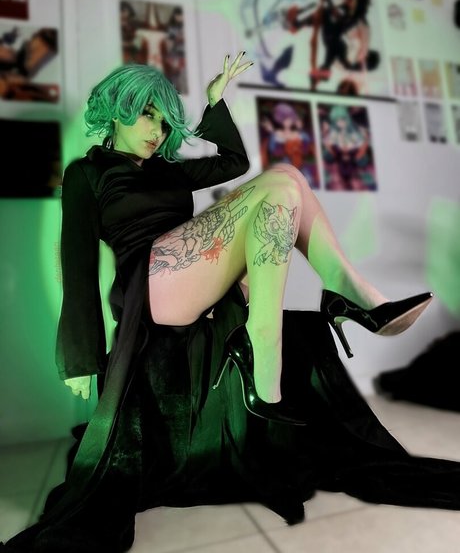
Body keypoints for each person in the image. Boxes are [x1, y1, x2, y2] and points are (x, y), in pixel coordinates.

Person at [60, 52, 431, 424]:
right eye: (148, 114)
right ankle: (268, 335)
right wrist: (80, 359)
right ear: (118, 109)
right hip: (149, 288)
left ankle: (338, 289)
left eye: (165, 122)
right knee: (279, 182)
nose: (158, 131)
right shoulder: (87, 173)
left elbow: (235, 162)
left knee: (288, 177)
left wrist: (215, 100)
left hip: (191, 277)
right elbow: (78, 264)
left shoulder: (168, 171)